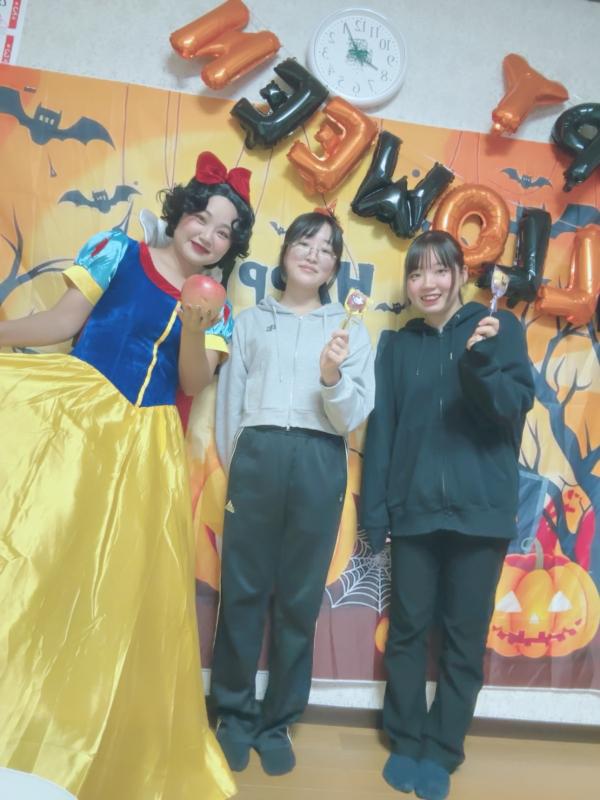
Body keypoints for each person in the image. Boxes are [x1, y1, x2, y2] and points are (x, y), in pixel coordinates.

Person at [0, 151, 254, 800]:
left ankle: (74, 725)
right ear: (180, 213)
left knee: (110, 586)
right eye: (201, 217)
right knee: (40, 559)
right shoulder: (118, 252)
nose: (209, 234)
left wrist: (195, 327)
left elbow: (191, 383)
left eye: (225, 231)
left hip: (145, 451)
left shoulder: (218, 309)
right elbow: (62, 324)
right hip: (77, 425)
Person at [360, 230, 534, 800]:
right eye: (416, 273)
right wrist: (376, 513)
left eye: (440, 270)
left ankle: (444, 747)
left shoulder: (497, 328)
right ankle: (405, 738)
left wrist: (479, 364)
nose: (427, 283)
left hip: (481, 514)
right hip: (413, 512)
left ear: (461, 275)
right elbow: (382, 432)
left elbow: (512, 408)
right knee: (408, 632)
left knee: (463, 638)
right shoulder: (396, 347)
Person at [211, 211, 375, 777]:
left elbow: (353, 416)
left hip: (319, 459)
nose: (313, 254)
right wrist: (243, 462)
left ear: (334, 268)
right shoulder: (251, 322)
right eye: (304, 242)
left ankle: (277, 721)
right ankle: (233, 715)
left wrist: (331, 375)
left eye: (327, 249)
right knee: (242, 592)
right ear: (285, 253)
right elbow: (230, 406)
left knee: (299, 600)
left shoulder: (349, 330)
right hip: (257, 456)